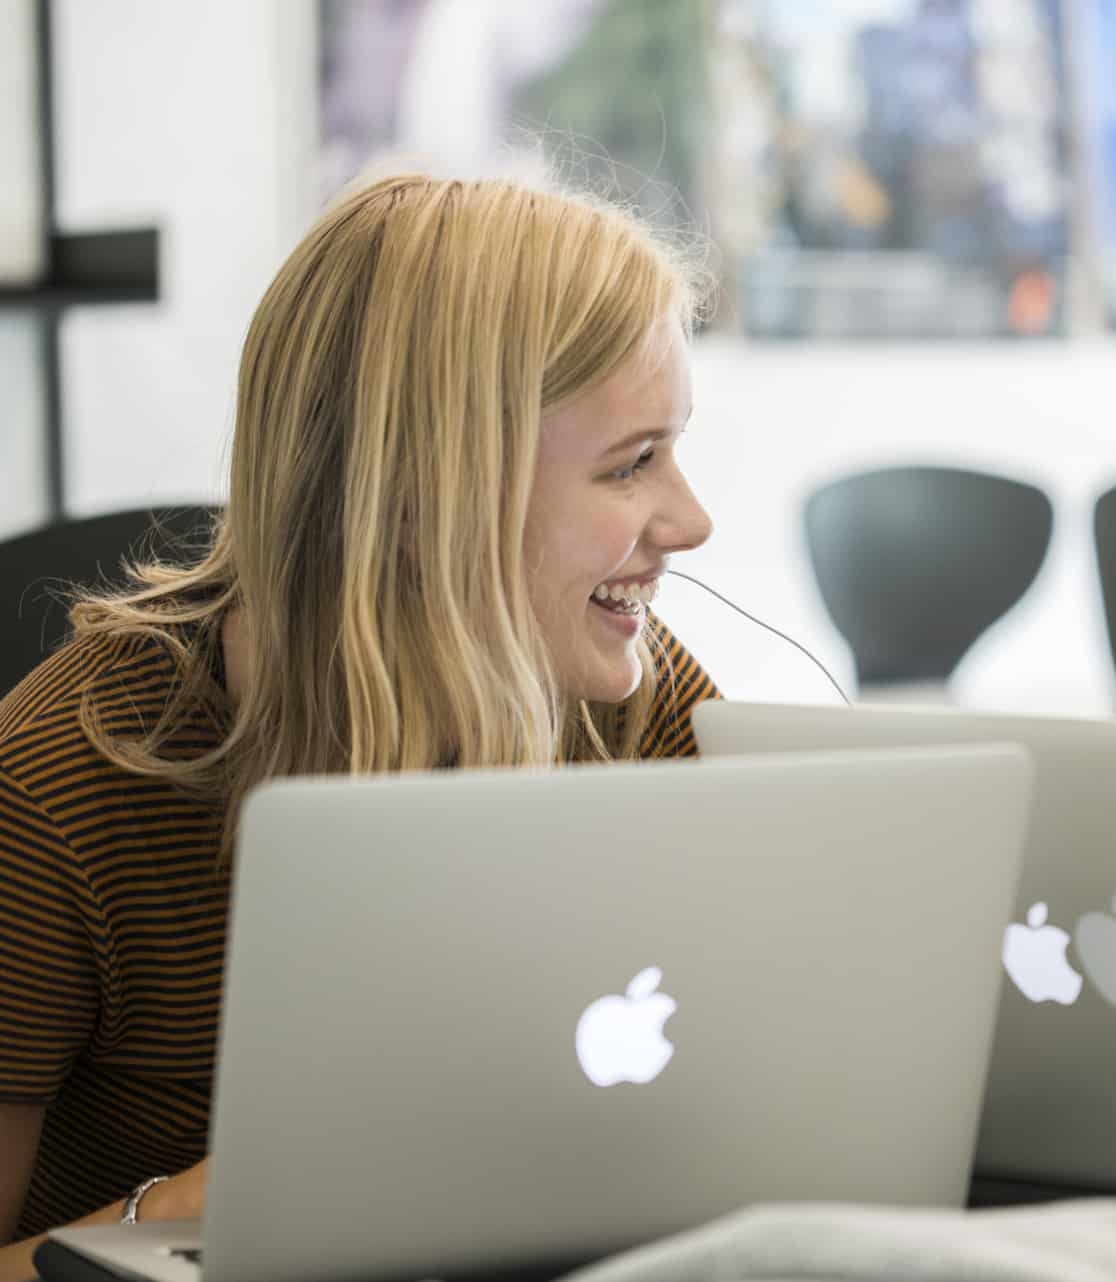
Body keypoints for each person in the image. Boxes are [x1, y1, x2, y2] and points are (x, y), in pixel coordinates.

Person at [0, 173, 719, 1276]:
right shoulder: (58, 786)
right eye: (632, 464)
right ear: (436, 489)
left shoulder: (627, 692)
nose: (692, 520)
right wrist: (182, 1211)